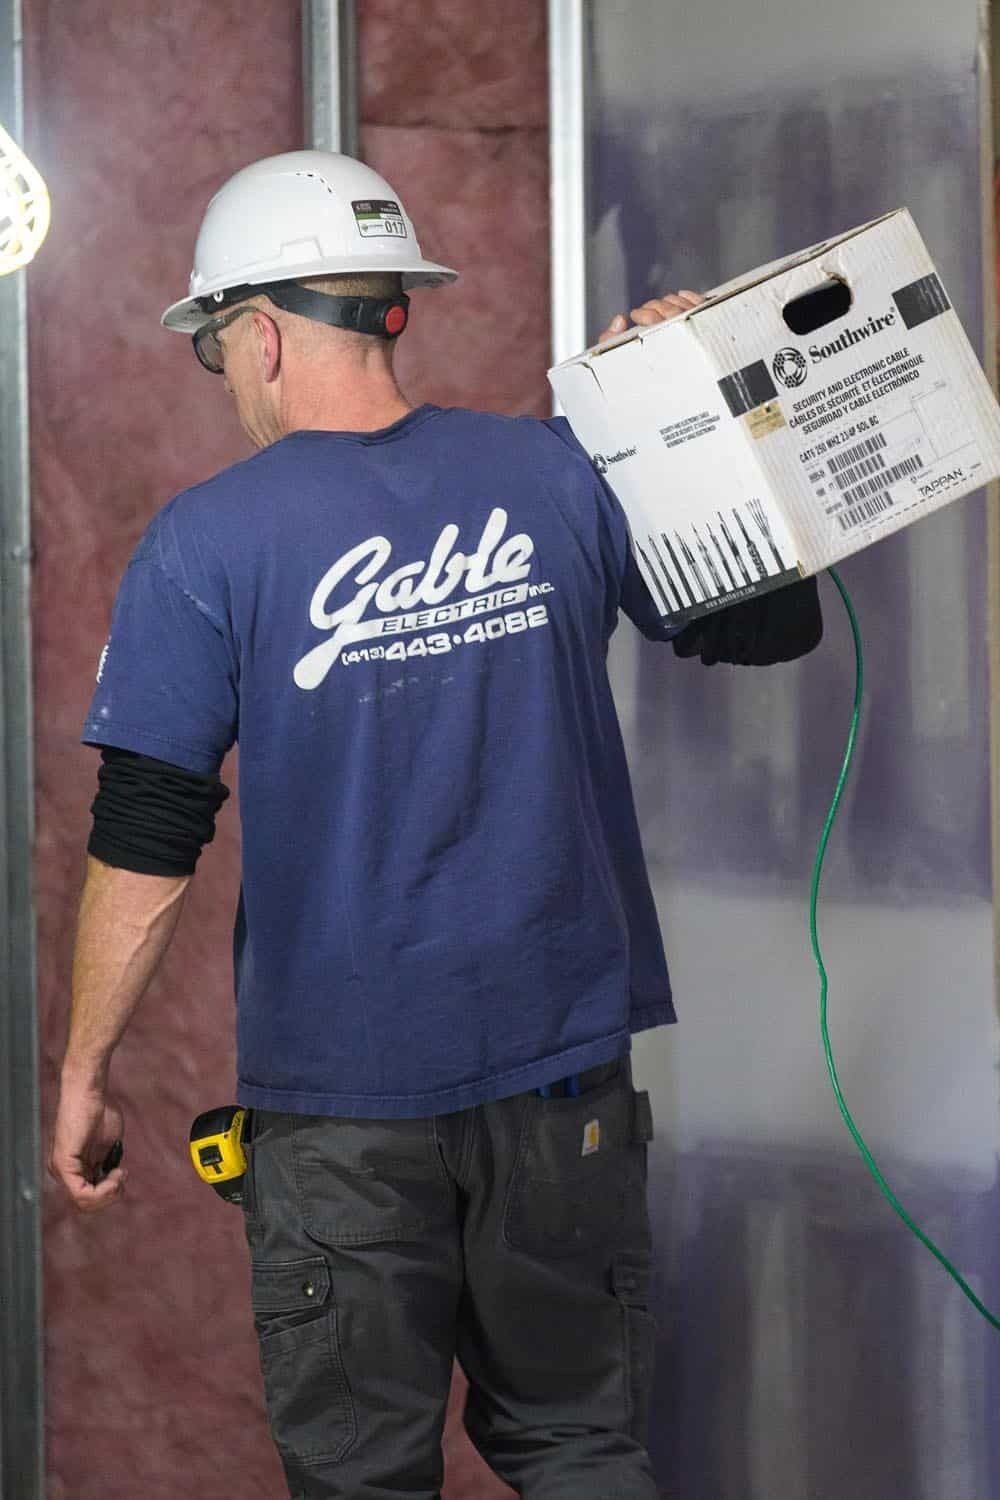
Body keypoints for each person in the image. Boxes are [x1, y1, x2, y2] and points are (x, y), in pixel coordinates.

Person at [49, 150, 822, 1499]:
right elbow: (771, 620)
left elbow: (150, 828)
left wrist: (83, 1072)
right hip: (563, 1082)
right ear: (390, 304)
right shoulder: (554, 475)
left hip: (345, 1112)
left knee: (364, 1480)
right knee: (581, 1447)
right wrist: (711, 418)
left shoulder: (208, 540)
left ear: (266, 333)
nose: (227, 380)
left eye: (218, 349)